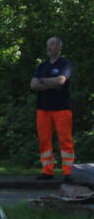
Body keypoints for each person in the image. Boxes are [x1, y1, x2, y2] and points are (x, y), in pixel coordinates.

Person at [30, 36, 74, 181]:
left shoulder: (64, 64)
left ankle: (68, 171)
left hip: (62, 108)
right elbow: (33, 85)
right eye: (48, 45)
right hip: (43, 108)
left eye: (53, 45)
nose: (50, 48)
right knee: (44, 140)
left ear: (59, 47)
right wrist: (51, 83)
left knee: (65, 140)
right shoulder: (42, 65)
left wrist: (43, 81)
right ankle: (47, 170)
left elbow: (61, 81)